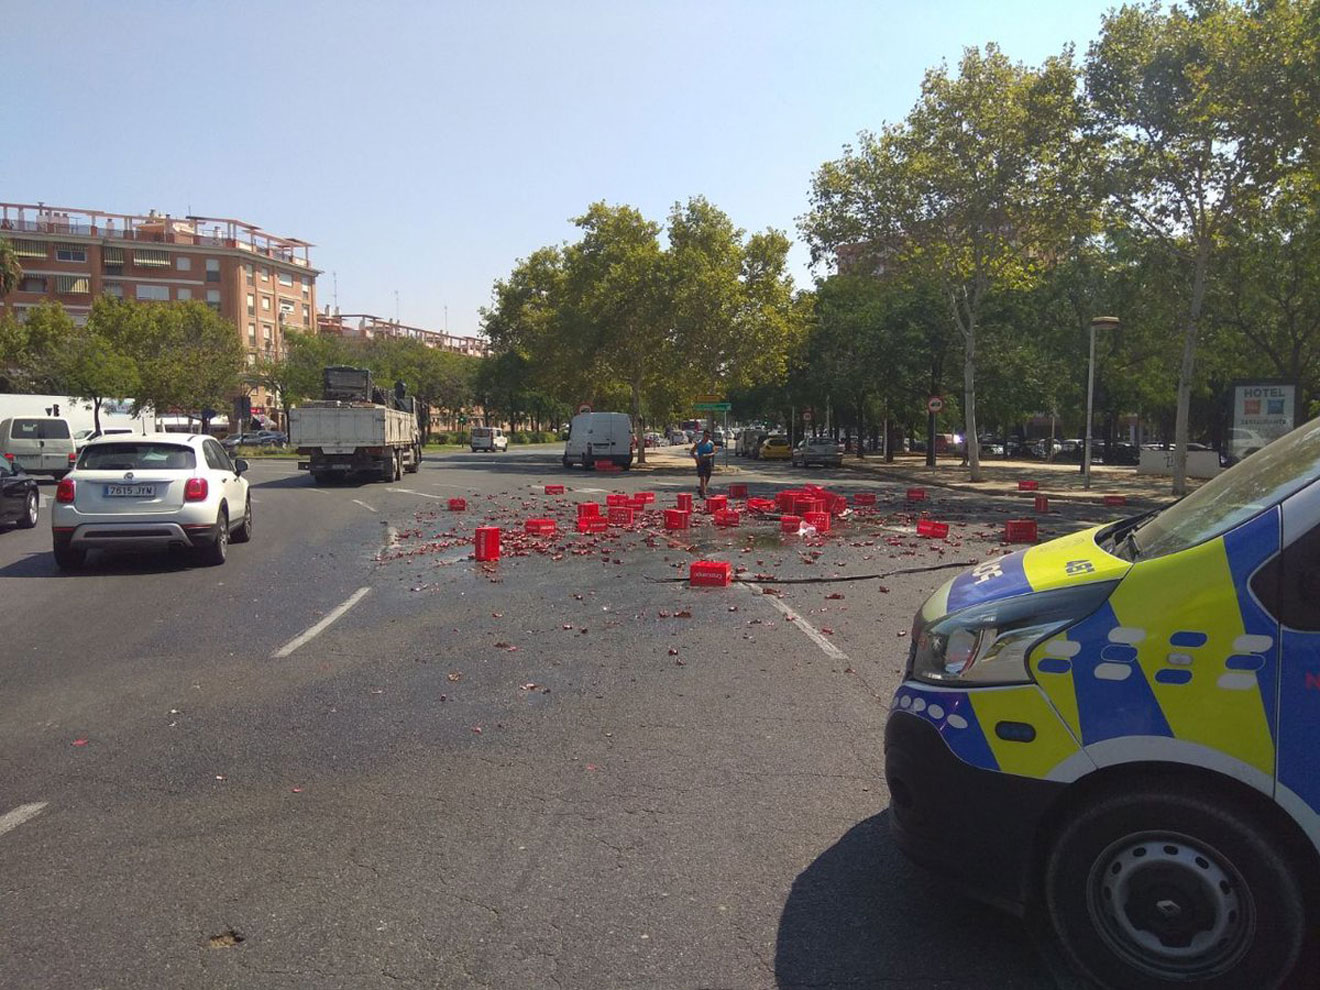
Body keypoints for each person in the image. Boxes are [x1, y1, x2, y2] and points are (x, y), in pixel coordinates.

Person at [690, 429, 716, 498]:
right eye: (706, 436)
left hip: (707, 462)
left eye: (709, 436)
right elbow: (692, 452)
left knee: (707, 477)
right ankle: (704, 493)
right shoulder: (699, 443)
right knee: (702, 478)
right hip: (700, 462)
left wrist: (708, 455)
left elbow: (714, 452)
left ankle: (702, 489)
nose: (707, 438)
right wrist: (696, 458)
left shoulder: (711, 443)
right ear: (703, 435)